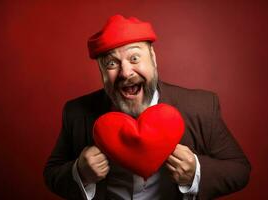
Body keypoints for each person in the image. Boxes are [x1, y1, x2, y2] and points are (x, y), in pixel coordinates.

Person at [43, 15, 251, 200]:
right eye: (111, 64)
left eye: (134, 58)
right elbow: (52, 173)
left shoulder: (201, 106)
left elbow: (240, 170)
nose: (125, 72)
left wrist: (196, 172)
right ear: (101, 71)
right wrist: (80, 172)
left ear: (153, 58)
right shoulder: (76, 112)